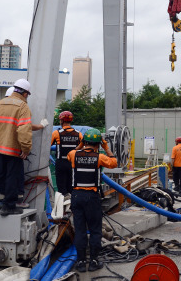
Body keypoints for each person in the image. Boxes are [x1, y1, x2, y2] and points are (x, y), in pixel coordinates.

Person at [0, 79, 43, 216]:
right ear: (24, 93)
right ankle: (8, 206)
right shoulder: (22, 107)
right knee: (12, 176)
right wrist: (26, 149)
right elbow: (24, 130)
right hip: (12, 148)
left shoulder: (0, 103)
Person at [68, 128, 117, 273]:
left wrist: (80, 145)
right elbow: (114, 163)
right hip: (92, 198)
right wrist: (106, 147)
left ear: (84, 142)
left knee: (80, 230)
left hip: (76, 197)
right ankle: (94, 261)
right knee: (95, 230)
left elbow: (69, 156)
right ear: (97, 144)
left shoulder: (73, 154)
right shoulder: (99, 157)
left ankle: (81, 262)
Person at [50, 111, 82, 196]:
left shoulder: (57, 133)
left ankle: (63, 207)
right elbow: (83, 147)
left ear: (61, 121)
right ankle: (73, 206)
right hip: (73, 163)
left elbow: (48, 145)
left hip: (61, 163)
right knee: (72, 187)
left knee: (61, 189)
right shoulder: (78, 134)